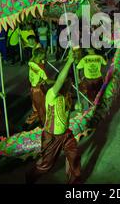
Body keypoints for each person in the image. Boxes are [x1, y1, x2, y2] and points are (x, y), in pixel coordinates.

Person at [26, 50, 81, 184]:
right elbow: (61, 79)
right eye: (67, 83)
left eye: (70, 83)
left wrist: (75, 108)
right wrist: (69, 62)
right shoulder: (52, 94)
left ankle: (74, 181)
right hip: (52, 137)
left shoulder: (66, 96)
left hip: (66, 135)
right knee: (45, 166)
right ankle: (30, 177)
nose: (70, 85)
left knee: (74, 156)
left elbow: (65, 113)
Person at [25, 48, 51, 127]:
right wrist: (58, 81)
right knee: (42, 108)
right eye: (44, 55)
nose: (45, 56)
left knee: (36, 108)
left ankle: (28, 122)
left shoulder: (31, 62)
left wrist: (42, 61)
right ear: (40, 55)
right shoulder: (40, 70)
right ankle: (44, 124)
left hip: (33, 88)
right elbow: (48, 81)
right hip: (38, 90)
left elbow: (34, 58)